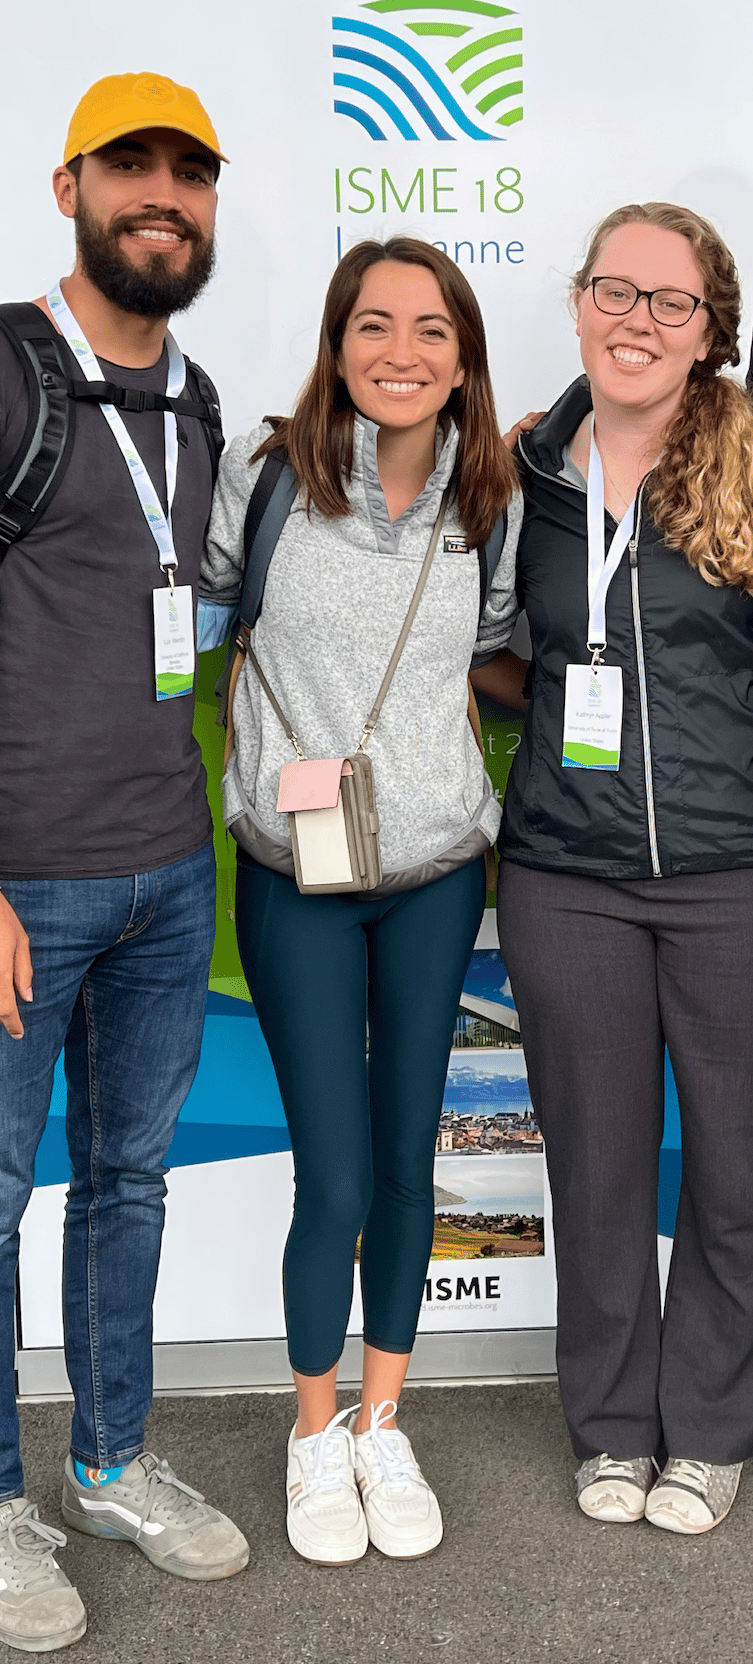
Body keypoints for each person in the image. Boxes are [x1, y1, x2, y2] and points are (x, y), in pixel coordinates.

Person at [0, 72, 248, 1654]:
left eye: (191, 173)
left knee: (131, 1183)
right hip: (11, 886)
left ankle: (108, 1460)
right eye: (131, 167)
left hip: (168, 873)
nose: (162, 195)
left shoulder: (198, 395)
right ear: (69, 183)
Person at [200, 237, 521, 1565]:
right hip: (298, 879)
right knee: (331, 1174)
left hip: (437, 873)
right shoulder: (265, 478)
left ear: (465, 358)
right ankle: (315, 1432)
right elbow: (194, 632)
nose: (402, 353)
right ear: (337, 345)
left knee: (408, 1163)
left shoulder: (489, 498)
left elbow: (502, 662)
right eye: (374, 326)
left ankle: (387, 1420)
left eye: (433, 332)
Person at [496, 202, 753, 1535]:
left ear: (713, 332)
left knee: (736, 1170)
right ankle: (611, 1426)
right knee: (594, 1172)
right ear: (582, 303)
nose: (637, 320)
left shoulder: (751, 461)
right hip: (565, 876)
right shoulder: (525, 470)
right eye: (616, 291)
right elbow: (493, 650)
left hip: (731, 876)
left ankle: (708, 1431)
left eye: (671, 302)